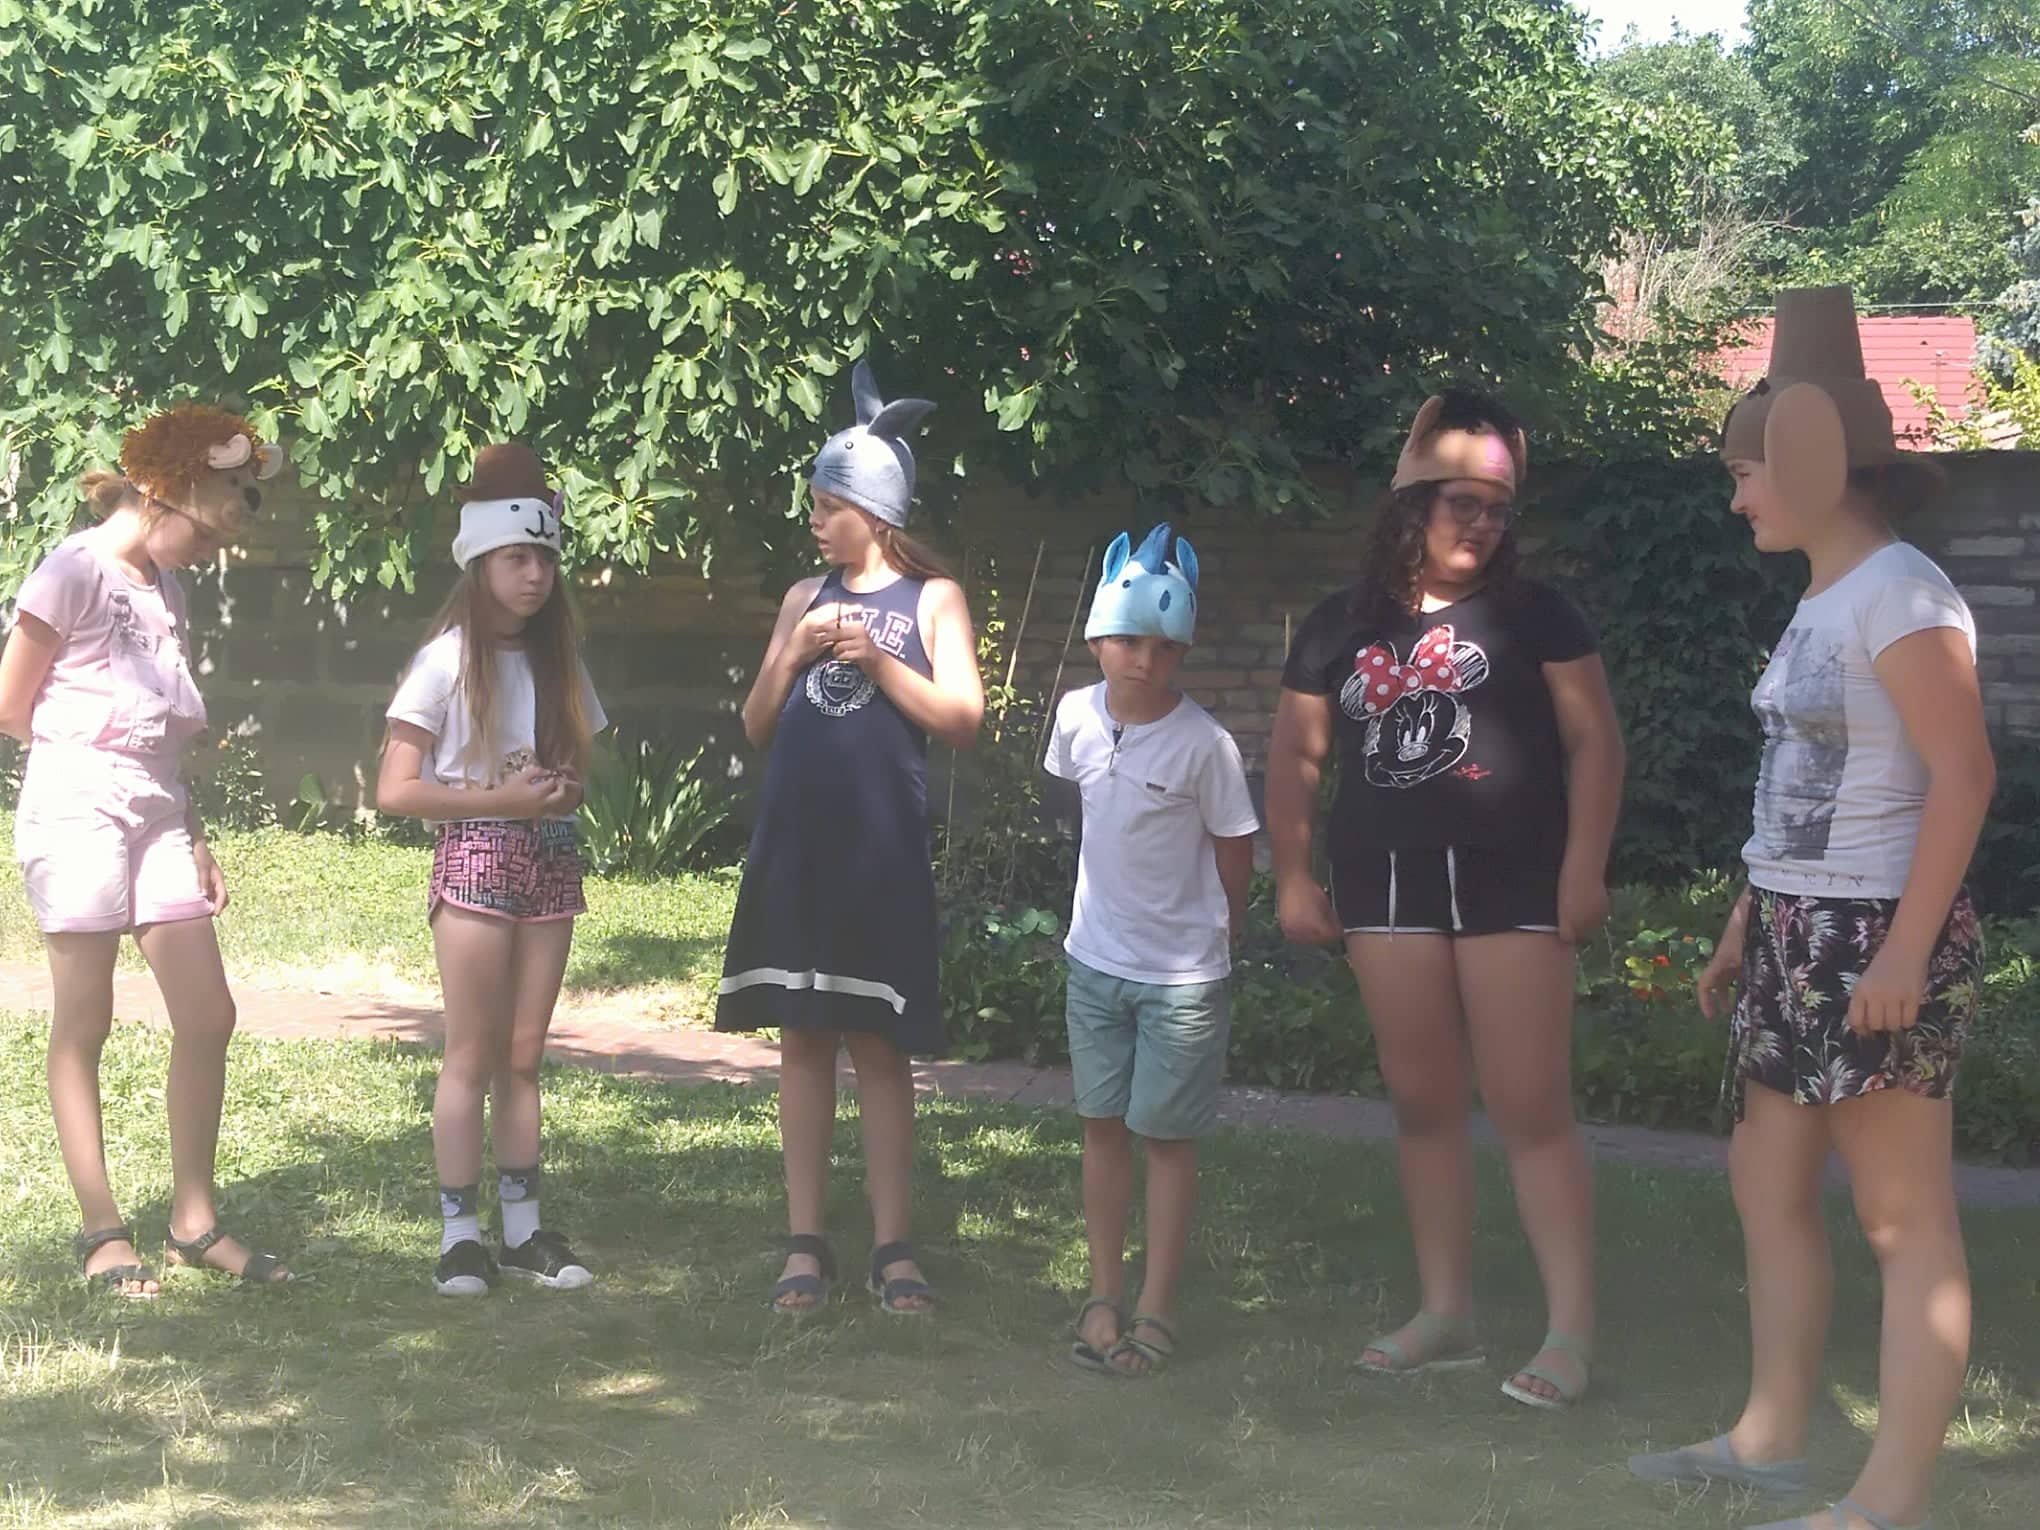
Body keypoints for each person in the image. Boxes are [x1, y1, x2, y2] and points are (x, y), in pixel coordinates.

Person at [1627, 288, 1993, 1530]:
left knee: (1903, 1221)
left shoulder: (1904, 594)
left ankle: (1891, 1502)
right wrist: (1748, 917)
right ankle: (1771, 1439)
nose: (1737, 499)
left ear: (1811, 461)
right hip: (1795, 928)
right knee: (1765, 1184)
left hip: (1876, 933)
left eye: (1745, 473)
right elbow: (1800, 786)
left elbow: (1964, 776)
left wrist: (1903, 951)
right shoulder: (1822, 600)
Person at [1265, 388, 1624, 1409]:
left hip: (1517, 882)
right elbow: (1295, 756)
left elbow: (1595, 742)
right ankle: (1446, 1313)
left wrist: (1584, 867)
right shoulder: (1338, 625)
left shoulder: (1539, 616)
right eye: (1462, 503)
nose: (1482, 524)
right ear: (1412, 505)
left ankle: (1570, 1333)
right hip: (1384, 886)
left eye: (1498, 509)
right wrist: (1292, 873)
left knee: (1529, 1104)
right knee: (1424, 1105)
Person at [0, 403, 295, 1293]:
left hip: (160, 809)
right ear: (165, 493)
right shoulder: (72, 571)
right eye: (205, 533)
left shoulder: (169, 588)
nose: (208, 553)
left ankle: (193, 1225)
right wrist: (88, 768)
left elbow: (162, 723)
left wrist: (193, 830)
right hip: (78, 804)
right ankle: (103, 1233)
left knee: (208, 1013)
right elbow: (12, 706)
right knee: (83, 1022)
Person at [716, 359, 985, 1315]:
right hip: (798, 847)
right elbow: (756, 725)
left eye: (829, 507)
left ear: (875, 512)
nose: (816, 521)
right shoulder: (802, 596)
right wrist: (791, 652)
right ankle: (805, 1243)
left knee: (878, 1045)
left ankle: (893, 1247)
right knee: (802, 1039)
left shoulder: (933, 599)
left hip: (879, 853)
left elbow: (964, 719)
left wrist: (879, 661)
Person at [377, 442, 607, 1298]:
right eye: (516, 558)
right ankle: (459, 1236)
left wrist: (560, 788)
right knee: (470, 1053)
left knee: (523, 1055)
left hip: (550, 858)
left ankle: (523, 1231)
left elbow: (576, 768)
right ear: (479, 562)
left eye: (544, 557)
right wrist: (500, 800)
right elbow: (395, 788)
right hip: (475, 857)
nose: (535, 574)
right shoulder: (444, 659)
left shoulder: (558, 660)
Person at [1046, 524, 1258, 1377]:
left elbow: (1235, 845)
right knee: (1102, 1129)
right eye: (1129, 639)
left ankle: (1158, 1306)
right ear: (1097, 638)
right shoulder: (1073, 716)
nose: (1145, 659)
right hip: (1094, 963)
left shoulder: (1207, 746)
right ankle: (1103, 1294)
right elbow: (1086, 814)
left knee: (1166, 1140)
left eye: (1165, 647)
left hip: (1180, 980)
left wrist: (1227, 927)